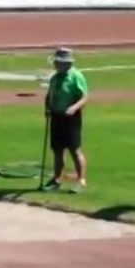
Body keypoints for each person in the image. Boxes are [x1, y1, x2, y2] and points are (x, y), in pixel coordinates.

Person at [43, 47, 89, 192]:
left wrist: (74, 108)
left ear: (67, 63)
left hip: (71, 117)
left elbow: (84, 97)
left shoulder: (76, 76)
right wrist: (47, 108)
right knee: (57, 149)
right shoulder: (55, 77)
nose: (56, 65)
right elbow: (49, 94)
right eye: (56, 62)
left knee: (74, 149)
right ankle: (57, 179)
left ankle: (81, 180)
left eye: (59, 63)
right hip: (56, 116)